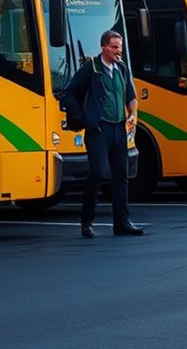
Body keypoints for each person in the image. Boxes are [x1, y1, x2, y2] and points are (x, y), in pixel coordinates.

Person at [62, 30, 144, 238]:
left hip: (119, 128)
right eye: (115, 47)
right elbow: (69, 93)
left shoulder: (122, 69)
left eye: (120, 47)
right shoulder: (91, 69)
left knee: (121, 176)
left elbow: (131, 96)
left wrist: (133, 114)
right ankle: (86, 222)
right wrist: (82, 117)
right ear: (104, 48)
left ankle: (122, 223)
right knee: (98, 172)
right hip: (98, 129)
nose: (119, 51)